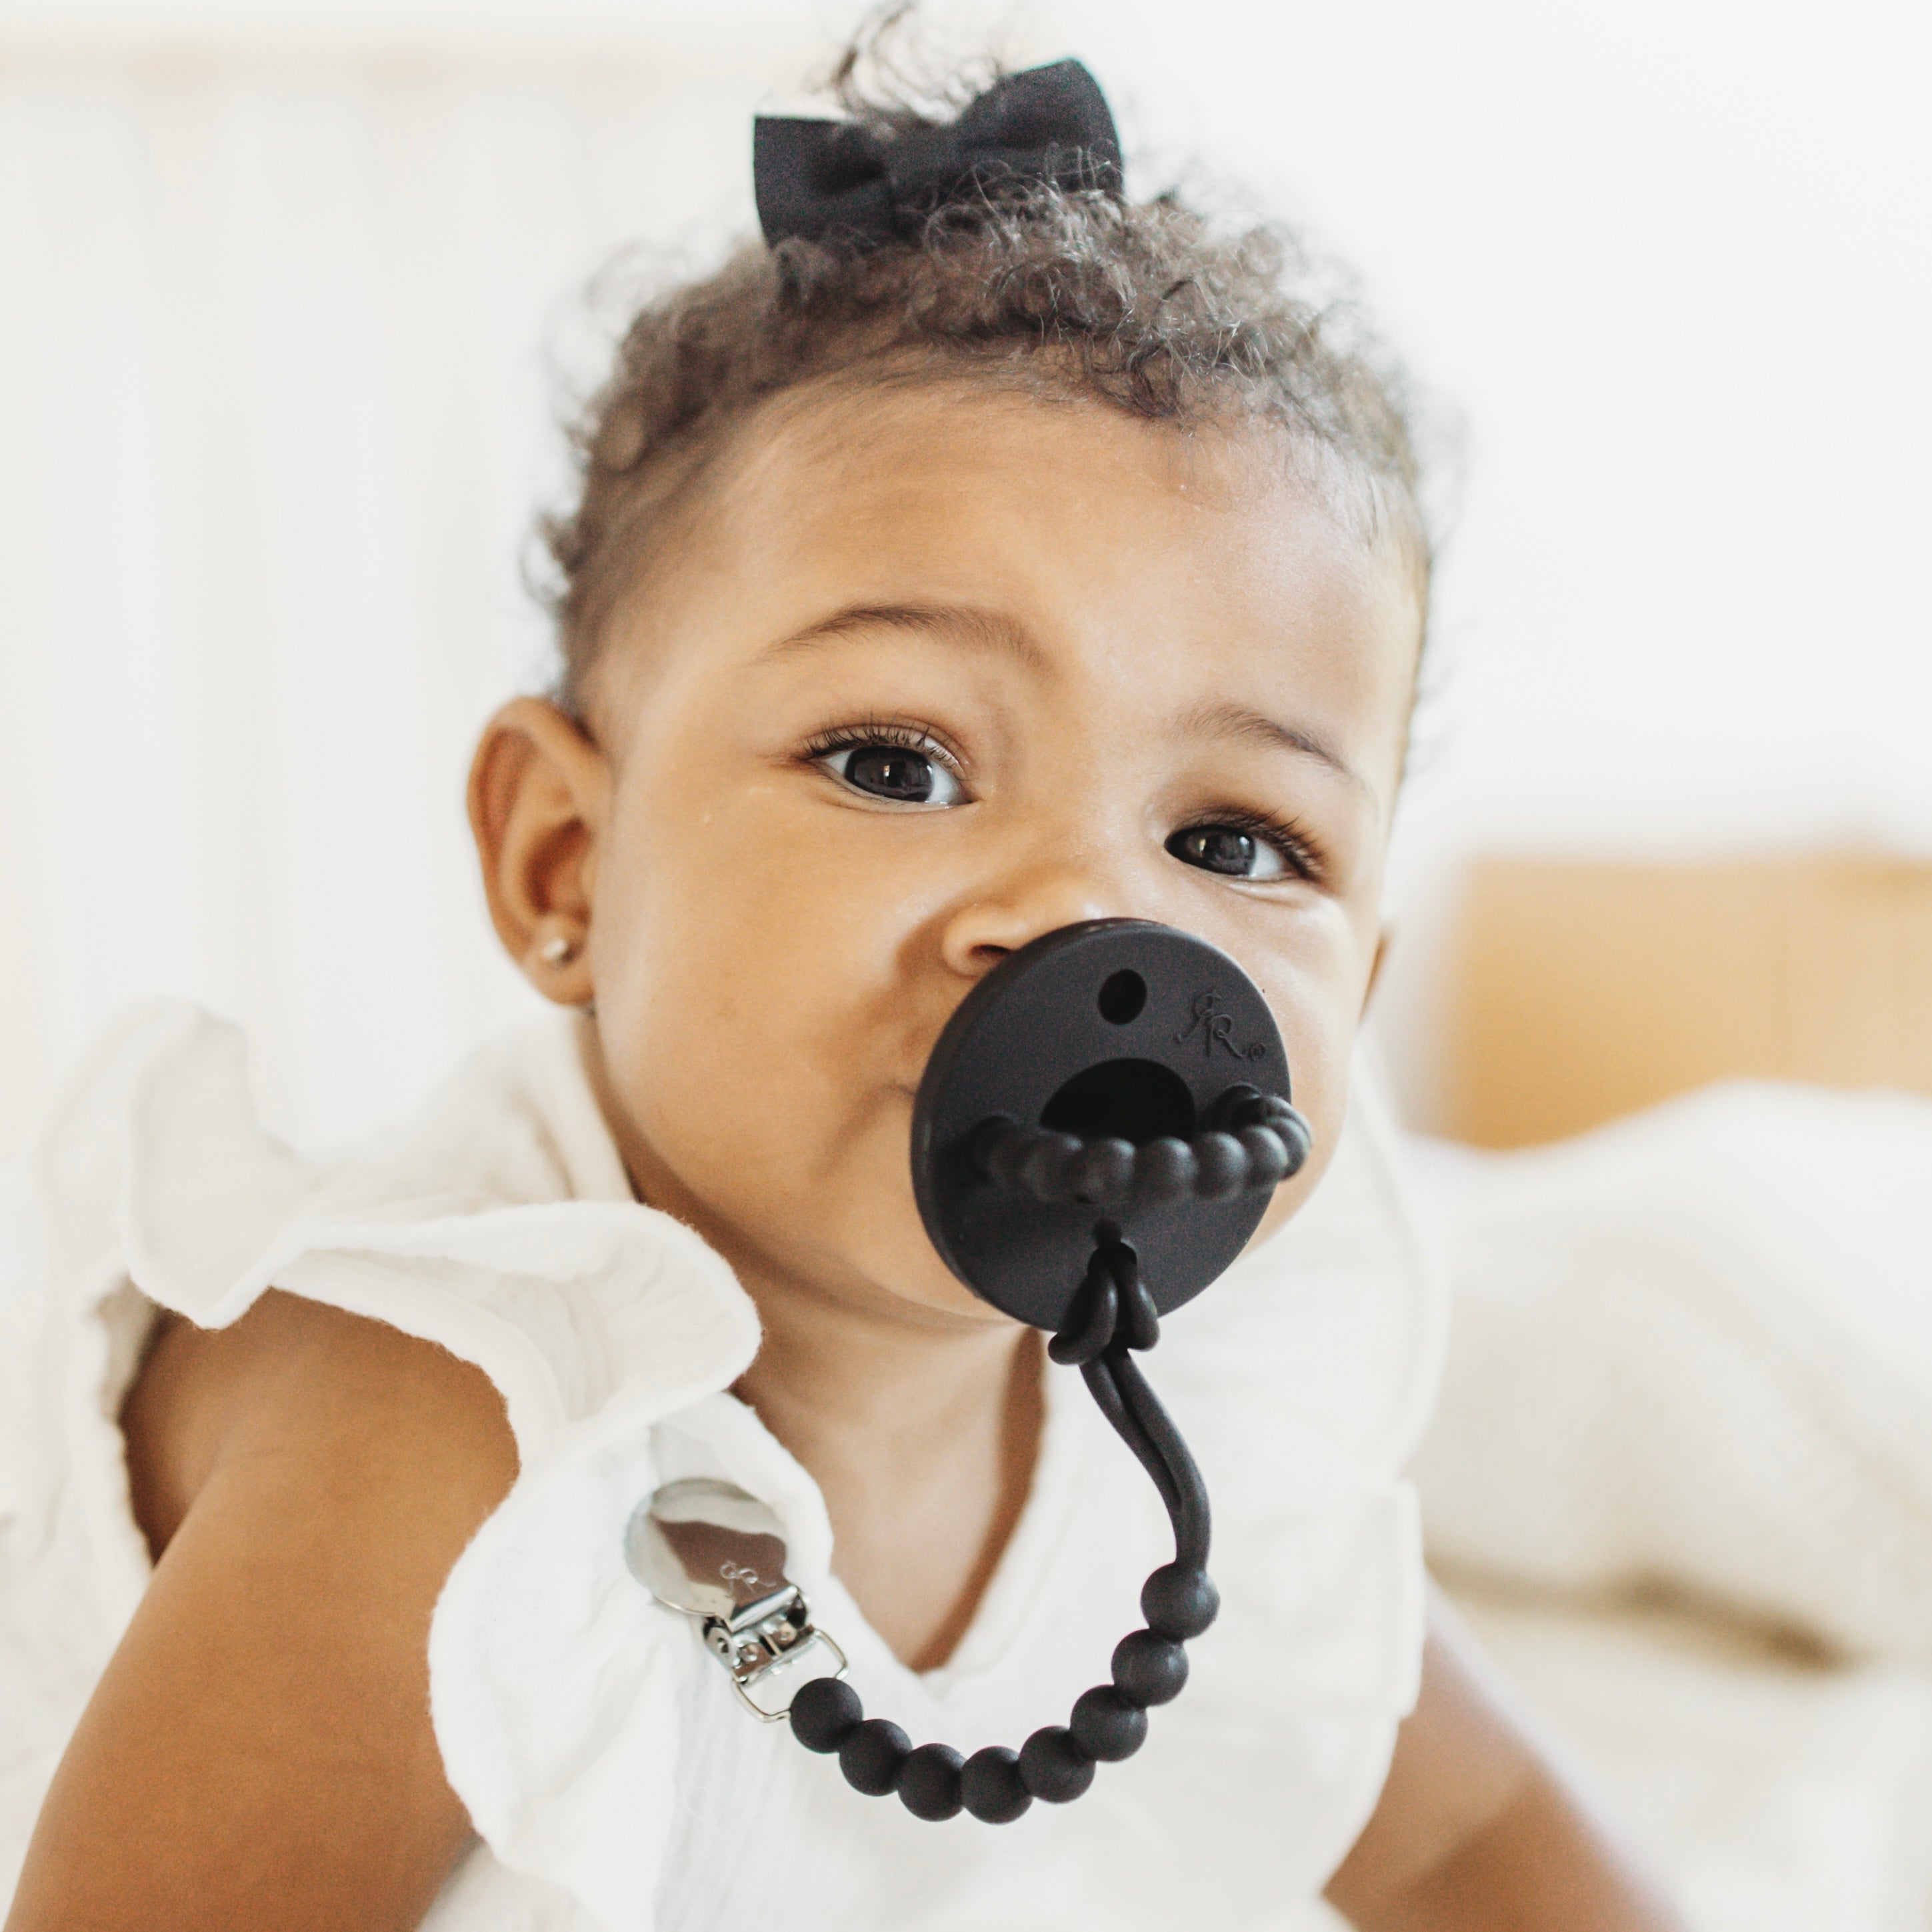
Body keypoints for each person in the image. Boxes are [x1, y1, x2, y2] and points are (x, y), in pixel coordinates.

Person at [0, 31, 1687, 1932]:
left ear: (1353, 1007)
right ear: (564, 861)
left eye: (1232, 843)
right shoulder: (441, 1431)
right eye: (897, 761)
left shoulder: (1198, 1427)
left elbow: (1472, 1842)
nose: (1076, 923)